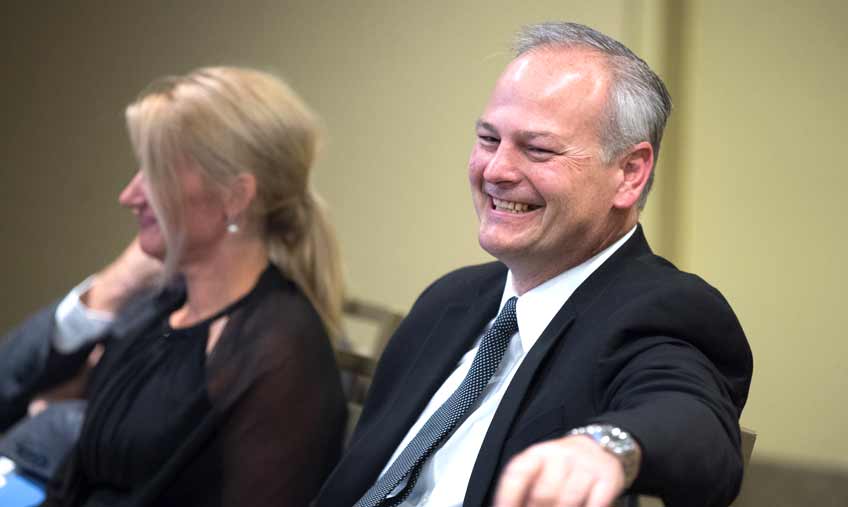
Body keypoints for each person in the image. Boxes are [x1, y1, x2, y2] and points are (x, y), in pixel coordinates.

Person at [315, 22, 752, 507]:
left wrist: (604, 447)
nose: (496, 170)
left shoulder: (662, 311)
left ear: (629, 173)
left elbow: (695, 419)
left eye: (537, 149)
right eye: (487, 139)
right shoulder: (449, 300)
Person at [1, 66, 347, 506]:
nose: (128, 196)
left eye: (155, 173)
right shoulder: (161, 308)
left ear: (234, 197)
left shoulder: (279, 351)